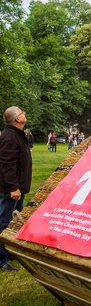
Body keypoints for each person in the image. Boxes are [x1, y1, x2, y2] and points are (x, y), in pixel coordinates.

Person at [0, 106, 32, 271]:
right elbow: (7, 165)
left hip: (18, 189)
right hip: (10, 191)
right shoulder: (10, 137)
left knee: (13, 221)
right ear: (17, 119)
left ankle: (9, 251)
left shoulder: (17, 134)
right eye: (22, 113)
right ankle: (1, 259)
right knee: (3, 223)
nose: (24, 114)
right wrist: (13, 188)